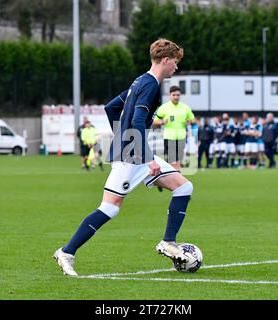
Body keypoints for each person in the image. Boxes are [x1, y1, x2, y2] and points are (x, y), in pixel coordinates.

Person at [53, 39, 191, 276]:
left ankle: (169, 241)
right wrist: (147, 158)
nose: (176, 69)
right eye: (175, 63)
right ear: (166, 60)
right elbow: (137, 121)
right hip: (132, 156)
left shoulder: (139, 81)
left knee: (184, 187)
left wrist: (124, 137)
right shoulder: (150, 85)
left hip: (132, 151)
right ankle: (66, 252)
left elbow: (110, 108)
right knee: (109, 208)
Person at [155, 85, 195, 171]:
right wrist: (162, 122)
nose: (176, 97)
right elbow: (154, 121)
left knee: (177, 160)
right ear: (170, 95)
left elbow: (193, 119)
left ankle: (170, 177)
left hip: (182, 137)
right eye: (174, 95)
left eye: (178, 95)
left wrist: (189, 121)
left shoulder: (185, 108)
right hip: (169, 137)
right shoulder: (164, 107)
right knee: (173, 160)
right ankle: (176, 178)